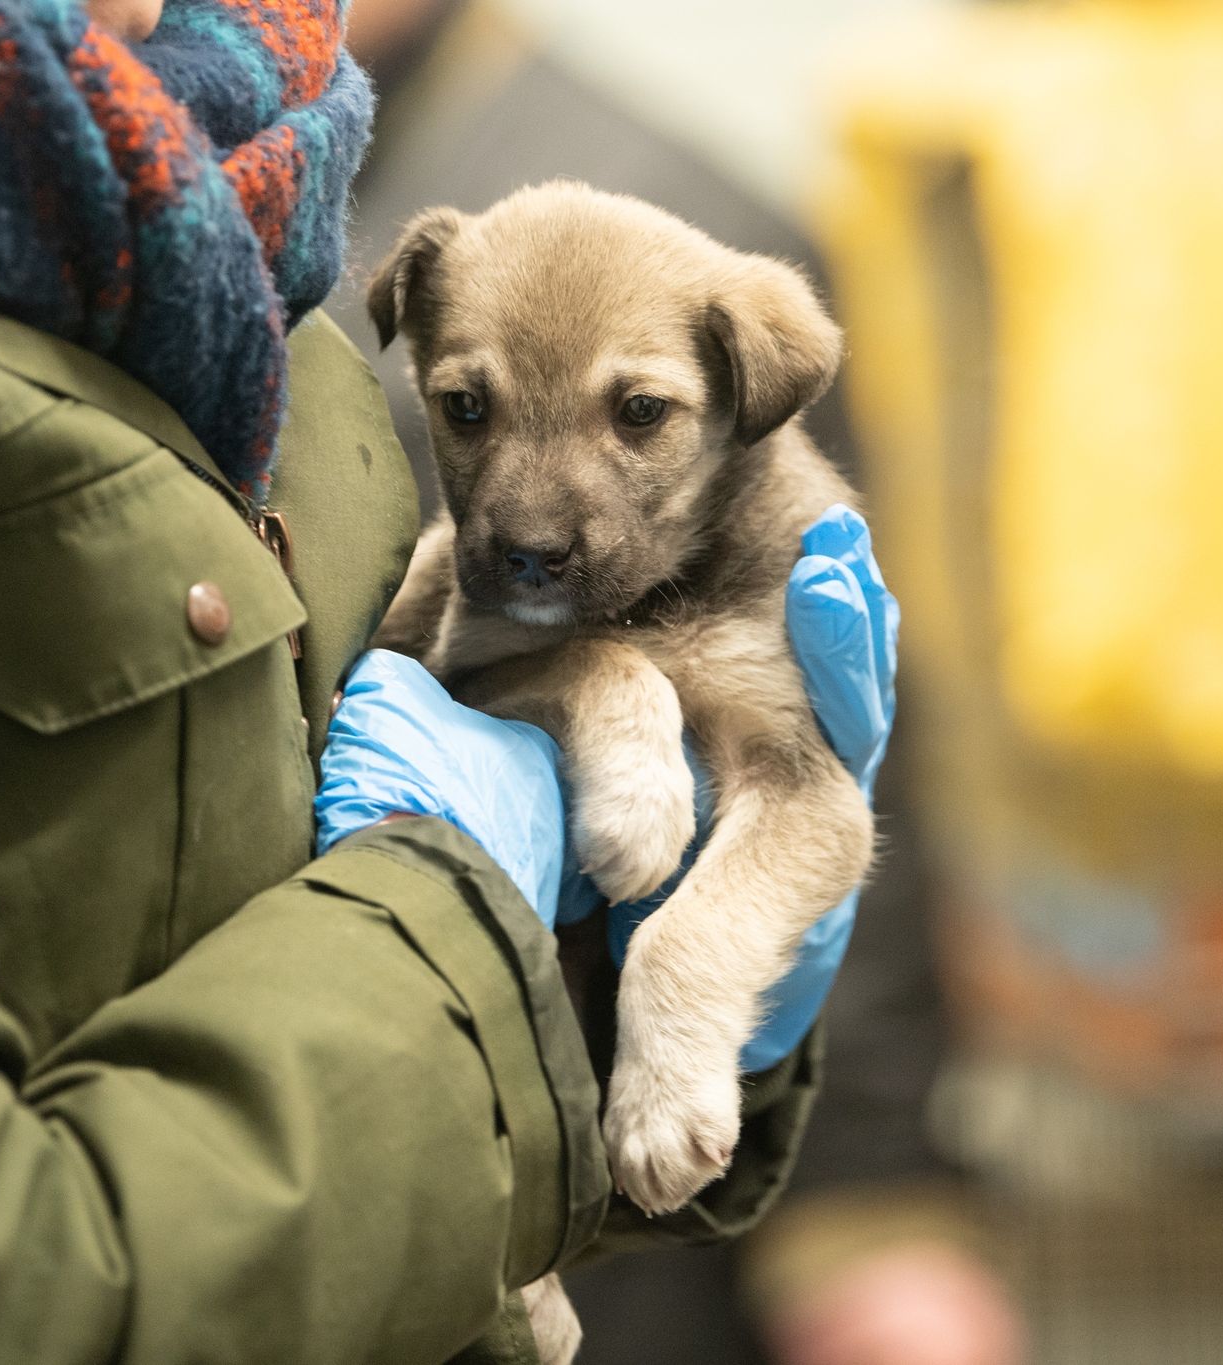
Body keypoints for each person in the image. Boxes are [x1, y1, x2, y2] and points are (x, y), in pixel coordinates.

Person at [0, 2, 891, 1361]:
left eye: (637, 416)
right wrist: (448, 915)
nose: (532, 514)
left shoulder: (259, 231)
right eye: (466, 410)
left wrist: (613, 1067)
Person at [334, 6, 1023, 1365]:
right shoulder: (175, 181)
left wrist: (876, 1213)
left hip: (640, 1182)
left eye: (635, 417)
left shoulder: (667, 205)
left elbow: (835, 740)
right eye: (468, 409)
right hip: (356, 1102)